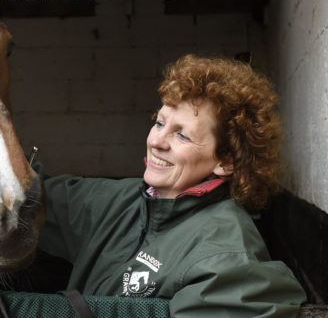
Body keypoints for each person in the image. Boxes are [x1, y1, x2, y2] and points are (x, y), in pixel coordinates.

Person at [37, 54, 307, 317]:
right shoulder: (119, 200)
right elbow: (29, 196)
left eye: (182, 135)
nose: (156, 141)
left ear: (225, 162)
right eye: (160, 123)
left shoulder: (226, 253)